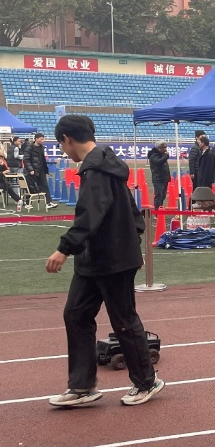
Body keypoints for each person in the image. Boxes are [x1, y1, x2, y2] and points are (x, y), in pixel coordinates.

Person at [45, 115, 164, 408]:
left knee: (123, 320)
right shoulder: (105, 166)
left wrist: (64, 248)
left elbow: (90, 214)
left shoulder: (98, 169)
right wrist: (130, 240)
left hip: (113, 260)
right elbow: (134, 215)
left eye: (62, 146)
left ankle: (146, 381)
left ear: (67, 140)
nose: (64, 152)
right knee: (76, 314)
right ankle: (82, 385)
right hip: (93, 259)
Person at [23, 132, 57, 209]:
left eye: (43, 139)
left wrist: (45, 170)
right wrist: (31, 169)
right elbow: (26, 160)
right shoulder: (29, 148)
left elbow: (43, 160)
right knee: (30, 187)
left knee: (45, 186)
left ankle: (49, 203)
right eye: (41, 139)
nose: (43, 140)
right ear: (36, 139)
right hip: (31, 171)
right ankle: (27, 204)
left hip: (41, 170)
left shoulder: (42, 148)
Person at [147, 140, 170, 209]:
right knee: (159, 196)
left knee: (162, 196)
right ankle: (157, 211)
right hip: (158, 178)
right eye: (163, 148)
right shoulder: (153, 155)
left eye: (165, 147)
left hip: (164, 178)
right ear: (158, 148)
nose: (165, 149)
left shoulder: (161, 155)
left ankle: (160, 209)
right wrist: (166, 156)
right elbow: (158, 162)